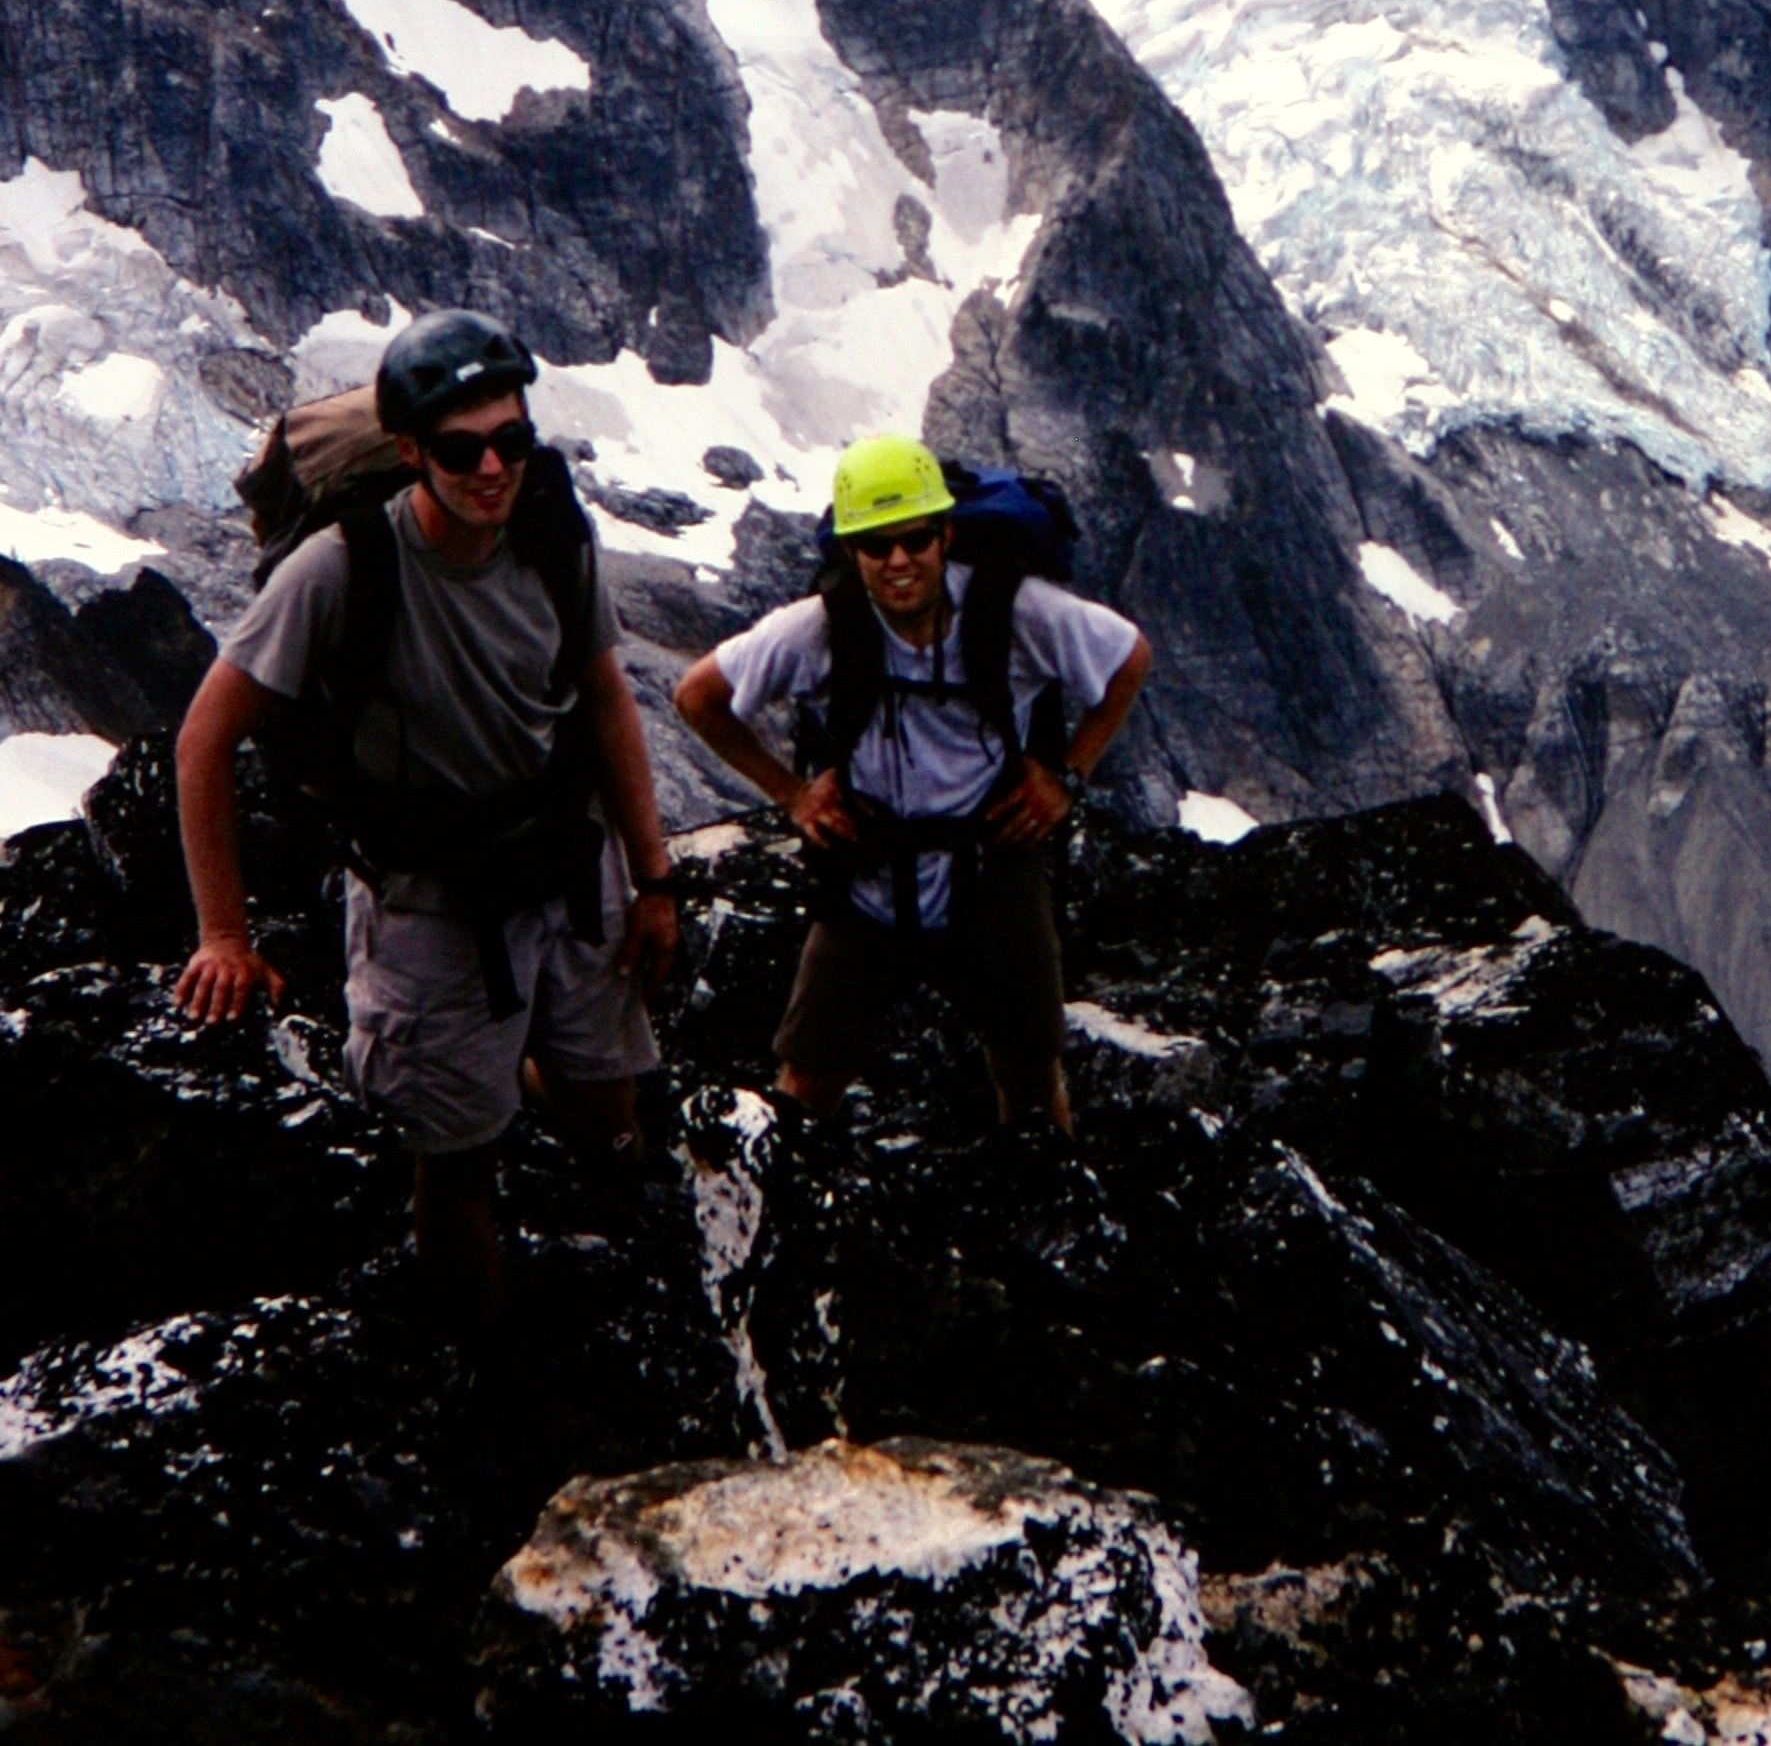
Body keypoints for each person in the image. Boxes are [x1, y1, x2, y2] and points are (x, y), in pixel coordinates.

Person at [173, 310, 679, 1343]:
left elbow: (604, 696)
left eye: (511, 439)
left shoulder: (551, 534)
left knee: (605, 1118)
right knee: (454, 1166)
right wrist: (224, 934)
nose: (492, 466)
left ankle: (520, 1083)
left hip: (564, 868)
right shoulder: (343, 567)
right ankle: (483, 1374)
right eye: (461, 448)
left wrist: (656, 875)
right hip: (427, 901)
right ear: (410, 451)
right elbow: (203, 741)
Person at [673, 432, 1150, 1131]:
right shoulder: (819, 629)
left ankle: (1044, 1210)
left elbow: (1128, 658)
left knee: (1029, 1071)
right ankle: (793, 1216)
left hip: (990, 861)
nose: (898, 561)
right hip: (868, 870)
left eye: (916, 540)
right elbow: (696, 696)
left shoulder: (1013, 610)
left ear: (945, 535)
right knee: (810, 1073)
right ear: (850, 552)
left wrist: (1067, 777)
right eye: (875, 545)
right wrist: (793, 795)